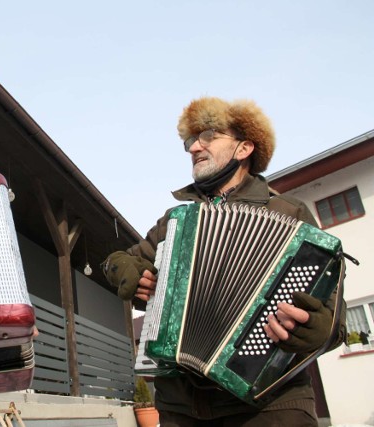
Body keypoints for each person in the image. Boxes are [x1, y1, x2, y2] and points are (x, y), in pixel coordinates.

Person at [102, 96, 347, 427]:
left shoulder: (290, 214)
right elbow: (123, 262)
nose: (193, 148)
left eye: (208, 135)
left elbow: (333, 320)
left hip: (270, 407)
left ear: (244, 148)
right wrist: (125, 270)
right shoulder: (175, 221)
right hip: (181, 408)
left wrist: (316, 332)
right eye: (190, 141)